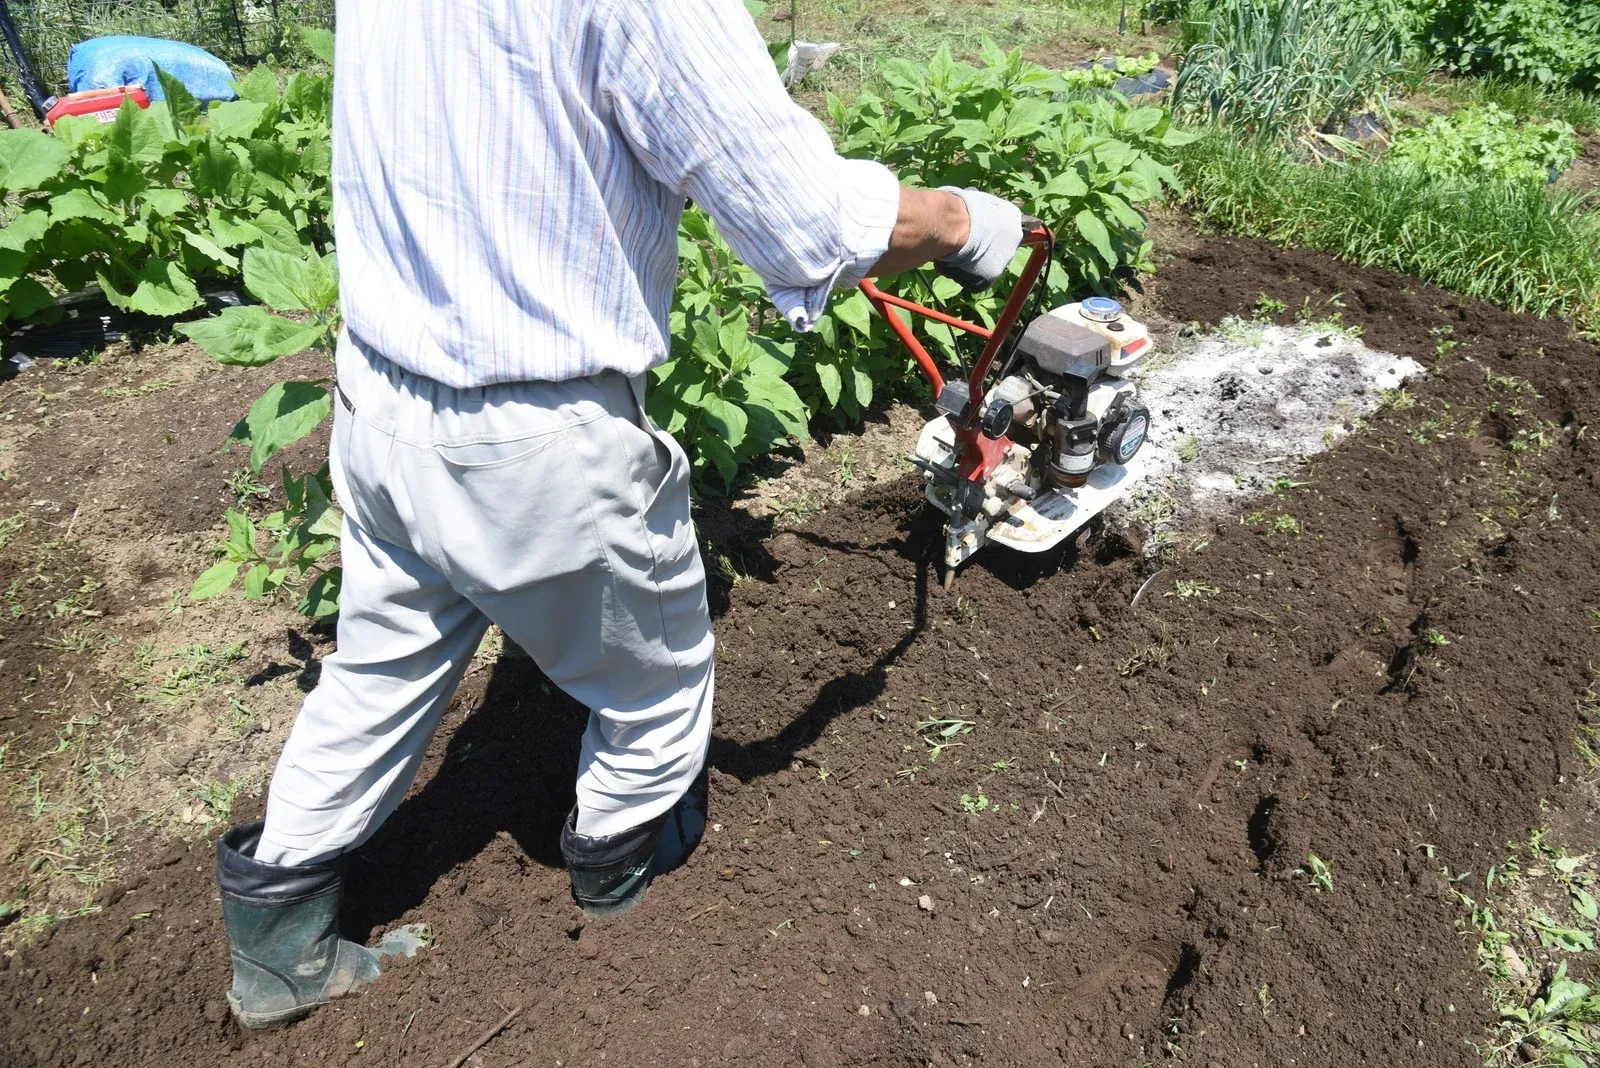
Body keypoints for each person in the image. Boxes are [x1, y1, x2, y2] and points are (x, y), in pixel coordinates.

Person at [212, 0, 1025, 1030]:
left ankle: (278, 949)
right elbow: (805, 221)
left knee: (378, 666)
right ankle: (621, 888)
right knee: (655, 682)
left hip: (379, 403)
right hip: (531, 430)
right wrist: (958, 218)